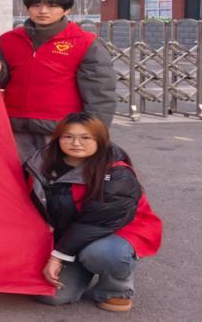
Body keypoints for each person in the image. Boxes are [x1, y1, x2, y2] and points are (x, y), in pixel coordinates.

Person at [25, 113, 162, 312]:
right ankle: (79, 263)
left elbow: (95, 223)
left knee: (102, 254)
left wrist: (57, 257)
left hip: (116, 231)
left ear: (100, 140)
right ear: (58, 138)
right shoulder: (40, 163)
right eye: (68, 136)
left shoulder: (117, 174)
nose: (76, 143)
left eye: (85, 137)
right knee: (51, 297)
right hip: (70, 234)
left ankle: (115, 289)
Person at [0, 0, 117, 161]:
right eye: (36, 5)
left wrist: (95, 132)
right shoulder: (8, 40)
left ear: (66, 10)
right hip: (15, 125)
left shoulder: (85, 42)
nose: (43, 11)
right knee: (17, 175)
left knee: (57, 175)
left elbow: (100, 93)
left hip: (62, 128)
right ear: (28, 8)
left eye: (52, 6)